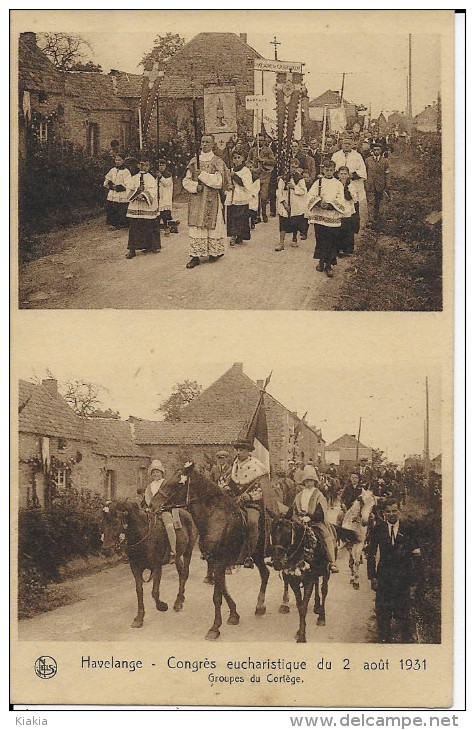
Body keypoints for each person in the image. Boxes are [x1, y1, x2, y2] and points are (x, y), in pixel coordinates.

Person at [366, 498, 421, 643]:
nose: (391, 514)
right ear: (383, 513)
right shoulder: (378, 528)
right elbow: (370, 554)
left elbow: (416, 554)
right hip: (383, 578)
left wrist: (414, 580)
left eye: (394, 510)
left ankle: (405, 642)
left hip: (403, 578)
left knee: (403, 614)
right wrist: (372, 577)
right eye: (388, 511)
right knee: (383, 614)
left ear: (399, 511)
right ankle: (384, 642)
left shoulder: (408, 528)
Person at [228, 439, 279, 568]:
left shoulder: (258, 467)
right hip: (235, 502)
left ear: (248, 452)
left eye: (242, 450)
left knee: (252, 522)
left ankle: (249, 555)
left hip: (252, 504)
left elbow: (263, 489)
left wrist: (249, 496)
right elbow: (227, 481)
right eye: (238, 450)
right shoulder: (234, 466)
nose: (239, 453)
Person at [182, 134, 228, 269]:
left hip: (212, 199)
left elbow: (219, 182)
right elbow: (185, 181)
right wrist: (195, 187)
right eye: (202, 142)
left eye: (208, 142)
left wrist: (201, 174)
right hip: (196, 198)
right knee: (196, 227)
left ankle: (214, 251)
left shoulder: (217, 161)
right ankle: (195, 256)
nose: (205, 144)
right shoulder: (193, 161)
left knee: (212, 225)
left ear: (213, 144)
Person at [291, 465, 339, 572]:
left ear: (315, 482)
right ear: (303, 482)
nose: (308, 483)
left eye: (311, 481)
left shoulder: (319, 495)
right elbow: (294, 509)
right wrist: (296, 518)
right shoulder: (299, 495)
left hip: (315, 522)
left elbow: (320, 512)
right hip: (299, 521)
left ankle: (332, 562)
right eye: (306, 481)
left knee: (326, 536)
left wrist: (310, 517)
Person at [306, 160, 346, 277]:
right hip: (320, 215)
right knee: (321, 238)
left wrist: (330, 205)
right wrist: (318, 202)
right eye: (326, 170)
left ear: (334, 171)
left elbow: (340, 198)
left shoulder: (338, 184)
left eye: (331, 170)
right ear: (323, 170)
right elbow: (310, 195)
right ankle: (321, 261)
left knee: (331, 240)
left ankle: (329, 264)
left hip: (332, 215)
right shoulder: (318, 182)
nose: (328, 172)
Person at [125, 154, 160, 259]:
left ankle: (149, 245)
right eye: (142, 165)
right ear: (139, 166)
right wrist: (136, 193)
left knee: (148, 224)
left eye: (147, 165)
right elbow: (129, 189)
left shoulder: (151, 178)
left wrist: (144, 195)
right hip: (136, 205)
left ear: (149, 166)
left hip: (146, 205)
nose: (144, 167)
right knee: (134, 226)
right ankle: (132, 249)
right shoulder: (134, 178)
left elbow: (153, 190)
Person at [144, 460, 178, 562]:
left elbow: (171, 497)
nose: (155, 474)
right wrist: (149, 507)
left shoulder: (166, 484)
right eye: (153, 472)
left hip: (164, 510)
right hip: (152, 511)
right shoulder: (149, 486)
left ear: (162, 473)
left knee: (169, 526)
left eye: (157, 472)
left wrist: (163, 507)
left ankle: (173, 551)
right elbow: (147, 498)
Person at [331, 136, 367, 226]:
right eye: (345, 144)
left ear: (352, 145)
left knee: (353, 204)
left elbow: (362, 171)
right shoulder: (336, 155)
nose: (346, 146)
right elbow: (332, 169)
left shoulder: (357, 156)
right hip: (339, 183)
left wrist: (352, 175)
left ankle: (353, 226)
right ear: (341, 145)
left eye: (349, 144)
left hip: (353, 183)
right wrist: (339, 175)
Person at [275, 158, 308, 251]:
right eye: (292, 167)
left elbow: (304, 191)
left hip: (295, 203)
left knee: (295, 221)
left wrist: (294, 187)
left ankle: (294, 238)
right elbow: (278, 192)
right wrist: (284, 203)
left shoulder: (300, 179)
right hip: (285, 203)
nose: (293, 169)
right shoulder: (283, 178)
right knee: (283, 222)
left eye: (295, 167)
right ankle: (281, 242)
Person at [246, 134, 275, 223]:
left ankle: (264, 213)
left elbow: (273, 161)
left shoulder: (268, 150)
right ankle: (257, 215)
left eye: (262, 140)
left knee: (263, 197)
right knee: (256, 196)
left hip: (265, 175)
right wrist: (252, 167)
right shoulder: (252, 151)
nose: (260, 142)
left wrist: (263, 160)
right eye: (259, 141)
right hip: (255, 176)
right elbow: (248, 162)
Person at [226, 149, 252, 246]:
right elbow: (226, 181)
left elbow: (245, 184)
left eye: (238, 157)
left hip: (241, 196)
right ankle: (233, 236)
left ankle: (240, 235)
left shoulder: (246, 171)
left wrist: (235, 176)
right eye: (234, 158)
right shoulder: (231, 170)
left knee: (241, 217)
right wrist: (228, 186)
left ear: (243, 159)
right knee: (232, 216)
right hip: (232, 196)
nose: (236, 160)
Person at [365, 143, 390, 230]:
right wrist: (366, 183)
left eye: (378, 149)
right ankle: (370, 220)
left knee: (378, 202)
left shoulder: (385, 161)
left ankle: (377, 218)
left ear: (381, 150)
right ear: (372, 151)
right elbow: (365, 173)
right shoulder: (368, 160)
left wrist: (387, 186)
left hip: (380, 185)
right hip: (370, 185)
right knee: (371, 202)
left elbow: (387, 174)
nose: (376, 151)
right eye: (374, 150)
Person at [103, 153, 131, 229]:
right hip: (113, 192)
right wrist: (110, 185)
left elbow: (128, 184)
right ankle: (112, 223)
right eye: (116, 160)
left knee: (121, 208)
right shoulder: (113, 170)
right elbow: (107, 179)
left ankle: (122, 223)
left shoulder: (126, 171)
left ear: (123, 161)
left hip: (121, 193)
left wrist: (119, 187)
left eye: (119, 160)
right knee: (112, 207)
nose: (117, 161)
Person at [336, 165, 359, 256]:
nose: (343, 176)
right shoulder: (336, 184)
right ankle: (339, 249)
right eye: (341, 174)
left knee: (347, 229)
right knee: (338, 229)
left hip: (348, 209)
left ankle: (348, 249)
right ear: (338, 175)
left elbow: (354, 198)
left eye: (345, 174)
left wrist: (346, 189)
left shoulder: (351, 185)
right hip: (339, 208)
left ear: (348, 175)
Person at [156, 158, 174, 235]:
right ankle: (157, 227)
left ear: (165, 166)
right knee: (158, 213)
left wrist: (160, 177)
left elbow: (166, 183)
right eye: (160, 165)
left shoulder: (168, 174)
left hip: (165, 196)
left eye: (163, 165)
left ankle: (168, 227)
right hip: (158, 196)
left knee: (166, 214)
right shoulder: (156, 174)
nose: (161, 167)